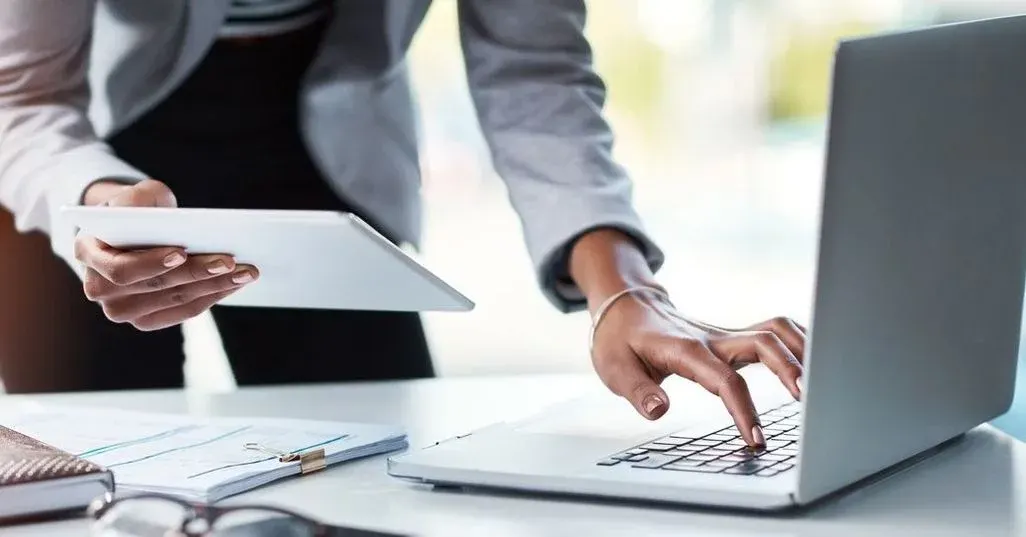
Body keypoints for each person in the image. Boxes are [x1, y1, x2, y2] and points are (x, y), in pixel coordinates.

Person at [0, 0, 806, 447]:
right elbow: (26, 95)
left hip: (328, 147)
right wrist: (96, 201)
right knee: (101, 479)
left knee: (371, 473)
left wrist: (623, 291)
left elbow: (534, 73)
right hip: (94, 155)